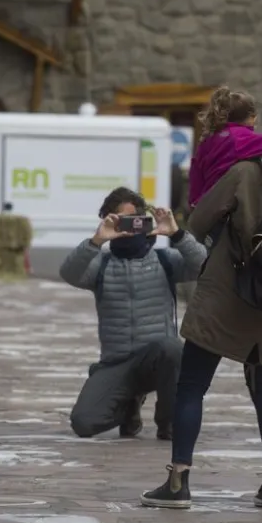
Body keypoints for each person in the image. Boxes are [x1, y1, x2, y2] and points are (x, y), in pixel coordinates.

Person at [141, 102, 262, 511]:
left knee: (192, 386)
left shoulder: (246, 171)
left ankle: (178, 481)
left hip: (226, 290)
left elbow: (199, 222)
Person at [60, 187, 206, 440]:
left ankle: (169, 422)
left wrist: (177, 234)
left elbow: (205, 266)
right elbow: (69, 273)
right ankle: (128, 404)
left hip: (155, 361)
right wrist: (96, 241)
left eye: (134, 219)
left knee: (173, 348)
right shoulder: (101, 265)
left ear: (144, 220)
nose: (129, 227)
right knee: (83, 423)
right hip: (115, 364)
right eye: (122, 220)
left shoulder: (165, 260)